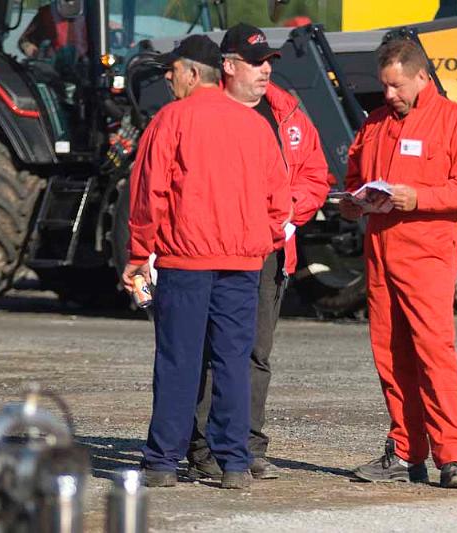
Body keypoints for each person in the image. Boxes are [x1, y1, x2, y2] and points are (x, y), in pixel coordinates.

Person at [121, 34, 291, 490]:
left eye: (173, 70)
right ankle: (235, 463)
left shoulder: (171, 119)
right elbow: (280, 200)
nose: (168, 78)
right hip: (243, 263)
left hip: (186, 260)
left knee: (179, 360)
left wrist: (139, 255)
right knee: (233, 360)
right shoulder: (256, 125)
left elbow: (149, 193)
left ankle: (162, 462)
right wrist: (263, 239)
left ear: (194, 74)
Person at [340, 37, 457, 488]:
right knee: (389, 356)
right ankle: (406, 452)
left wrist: (418, 196)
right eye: (385, 87)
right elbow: (354, 178)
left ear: (422, 76)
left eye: (397, 86)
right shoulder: (375, 123)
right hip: (381, 255)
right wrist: (351, 204)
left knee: (433, 353)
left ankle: (452, 456)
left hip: (426, 256)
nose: (390, 95)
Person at [187, 23, 331, 481]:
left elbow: (314, 173)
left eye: (269, 62)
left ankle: (247, 446)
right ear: (227, 67)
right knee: (209, 350)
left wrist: (290, 217)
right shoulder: (200, 113)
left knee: (255, 351)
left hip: (268, 249)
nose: (265, 70)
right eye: (256, 62)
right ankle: (203, 447)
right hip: (212, 246)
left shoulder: (287, 112)